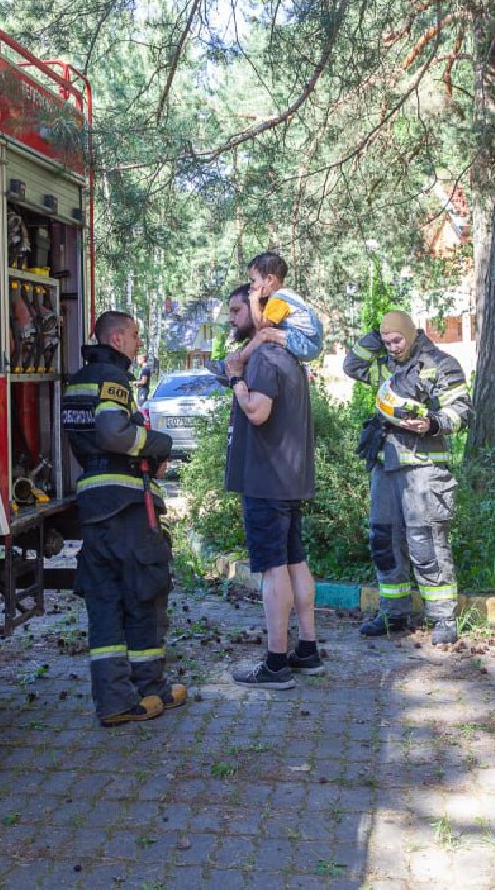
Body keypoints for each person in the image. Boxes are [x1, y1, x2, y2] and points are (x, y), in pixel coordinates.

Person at [62, 312, 186, 726]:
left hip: (94, 508)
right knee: (144, 594)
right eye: (134, 334)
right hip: (127, 505)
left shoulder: (77, 382)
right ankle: (151, 688)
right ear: (116, 338)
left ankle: (115, 701)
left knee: (105, 602)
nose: (138, 341)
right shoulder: (111, 379)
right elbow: (115, 434)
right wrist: (158, 445)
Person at [343, 311, 471, 645]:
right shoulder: (385, 364)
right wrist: (379, 330)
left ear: (412, 334)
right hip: (386, 465)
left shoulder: (441, 364)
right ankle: (393, 613)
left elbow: (461, 409)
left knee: (425, 541)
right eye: (386, 341)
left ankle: (443, 618)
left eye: (397, 339)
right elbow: (352, 366)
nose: (392, 347)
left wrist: (432, 423)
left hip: (424, 467)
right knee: (384, 540)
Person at [220, 285, 322, 687]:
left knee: (273, 569)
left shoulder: (263, 359)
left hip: (266, 480)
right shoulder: (289, 358)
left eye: (236, 309)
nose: (232, 317)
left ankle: (276, 663)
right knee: (296, 561)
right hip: (289, 478)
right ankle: (308, 650)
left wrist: (236, 382)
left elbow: (257, 412)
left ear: (259, 311)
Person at [246, 251, 325, 366]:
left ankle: (239, 360)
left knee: (265, 333)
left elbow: (261, 326)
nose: (252, 286)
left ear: (269, 279)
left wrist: (253, 300)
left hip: (307, 343)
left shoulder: (279, 299)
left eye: (253, 280)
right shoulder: (283, 296)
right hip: (306, 341)